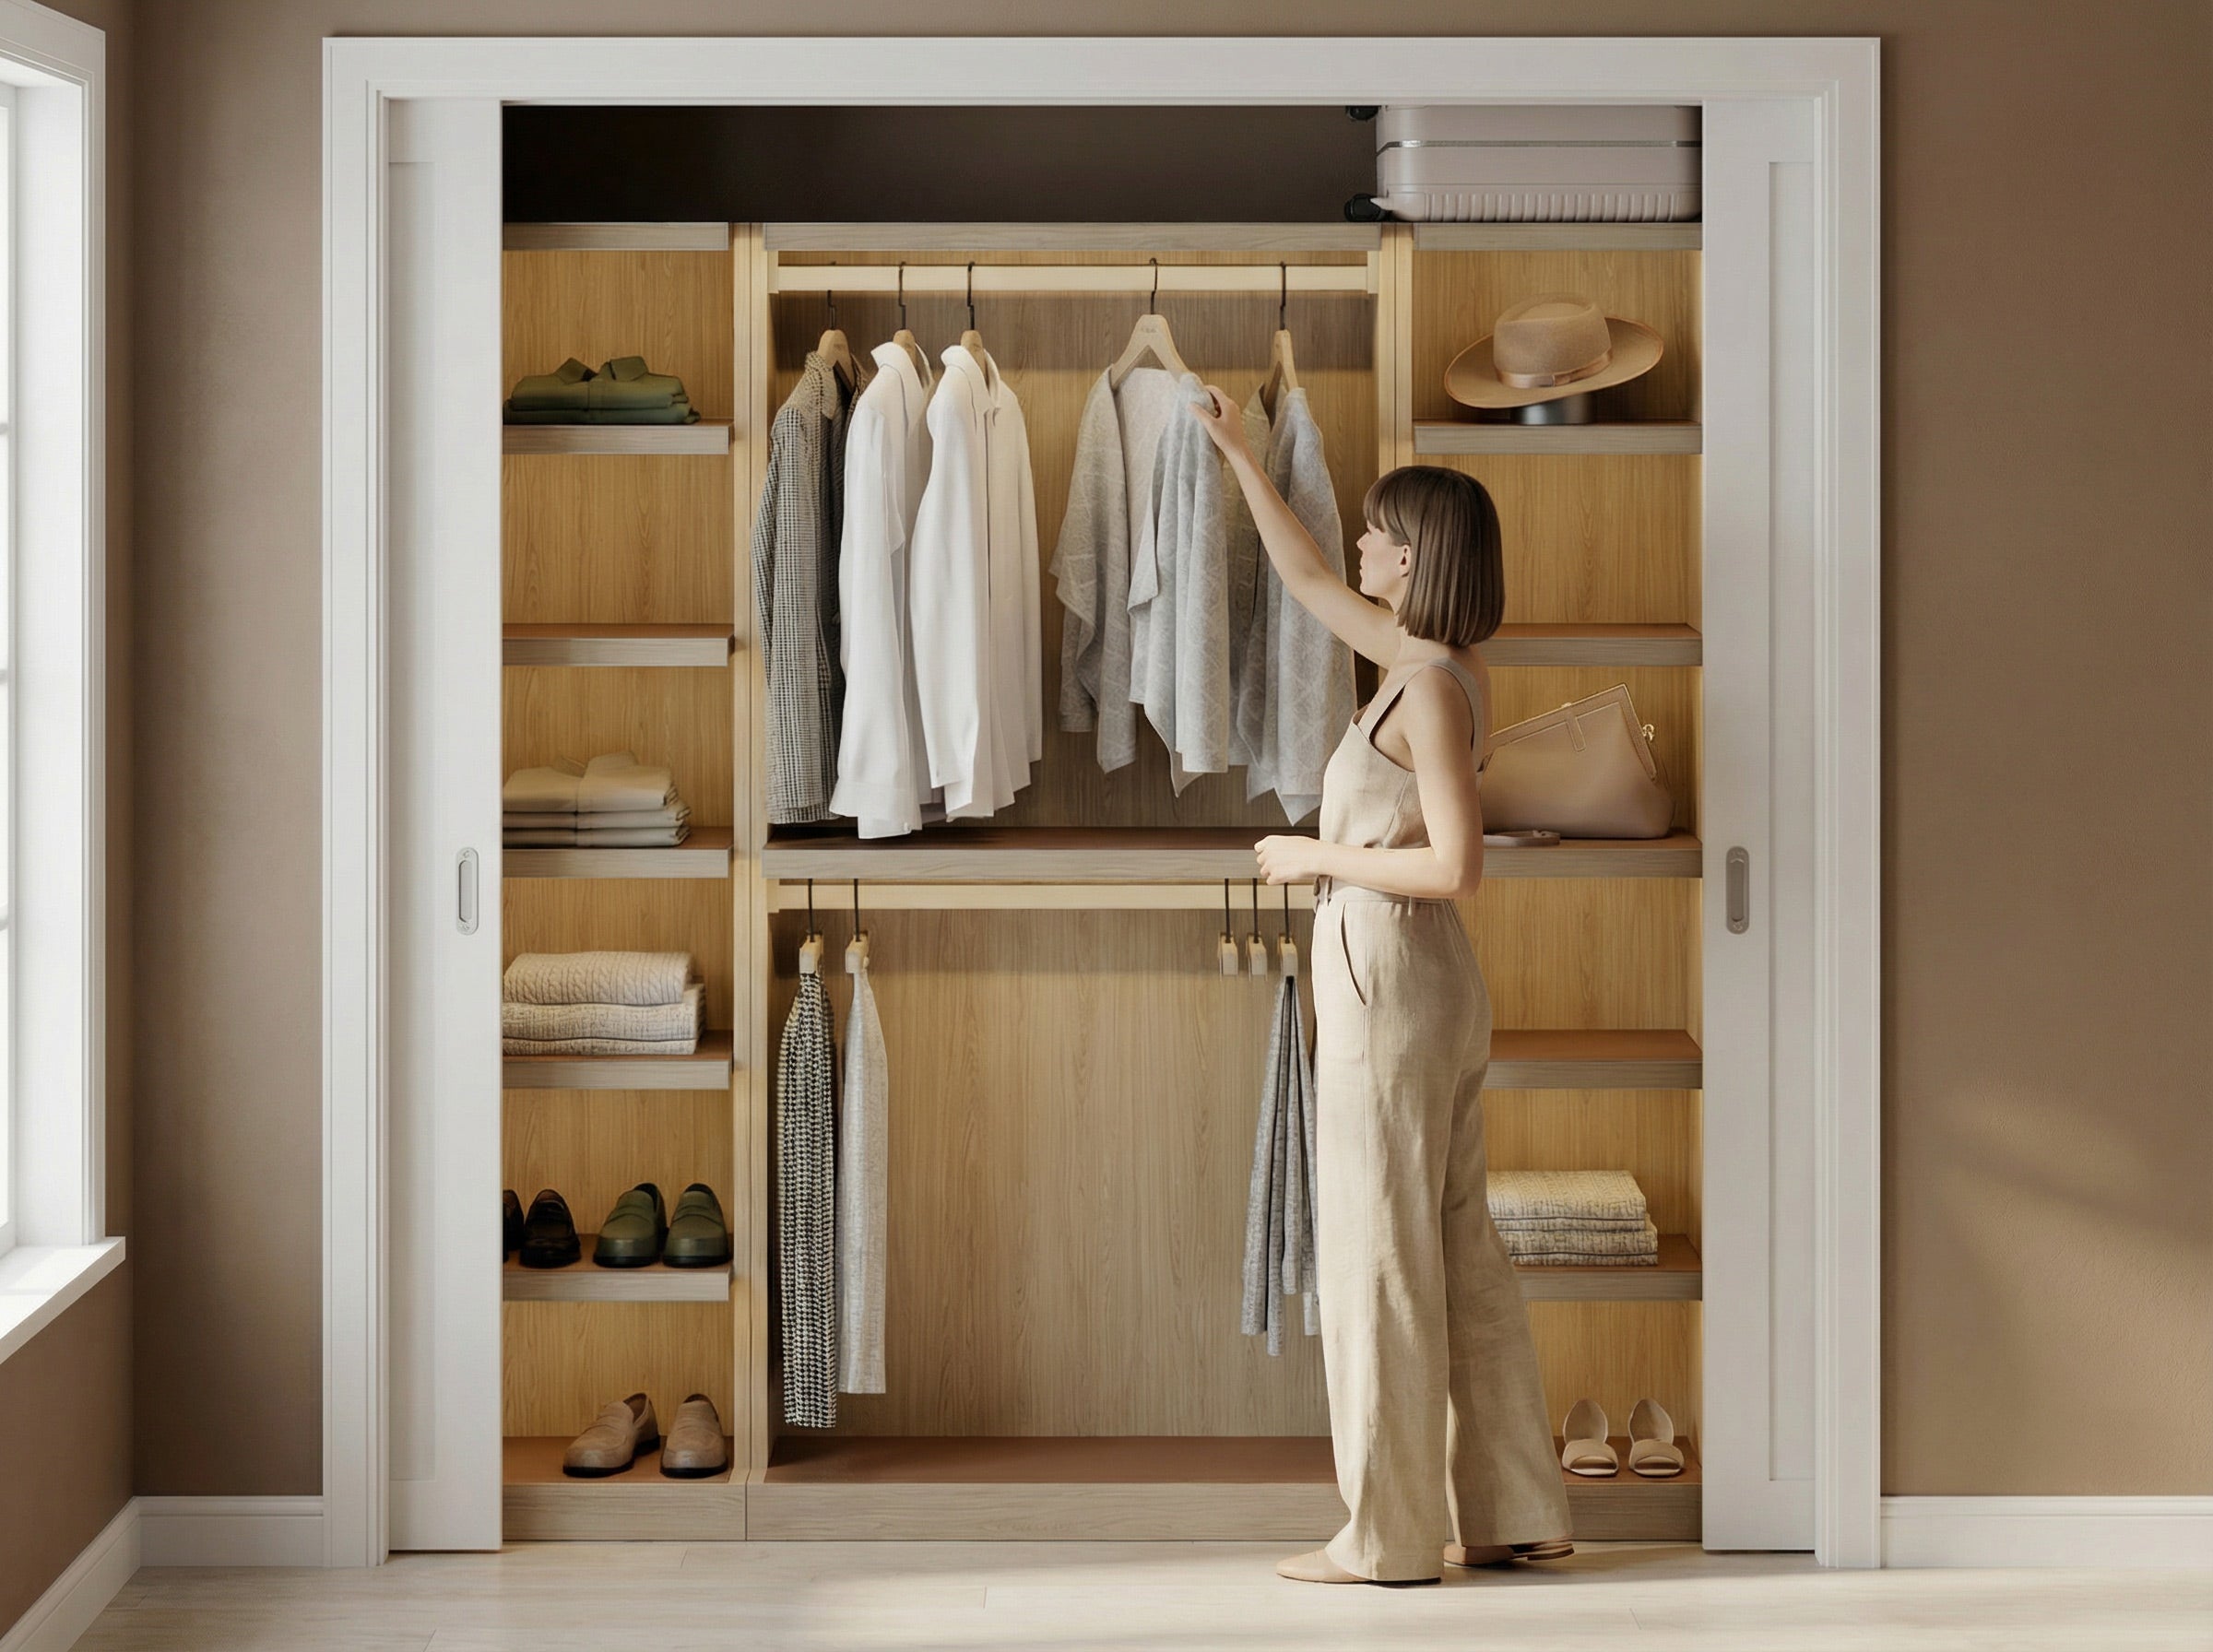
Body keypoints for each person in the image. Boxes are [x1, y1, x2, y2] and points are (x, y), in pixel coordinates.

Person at [1190, 389, 1574, 1587]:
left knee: (1382, 1258)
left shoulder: (1434, 696)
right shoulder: (1426, 662)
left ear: (1409, 559)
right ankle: (1512, 1508)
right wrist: (1239, 458)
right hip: (1424, 993)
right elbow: (1307, 586)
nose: (1356, 547)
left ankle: (1389, 1538)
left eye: (1372, 534)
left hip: (1392, 985)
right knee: (1459, 1253)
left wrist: (1315, 856)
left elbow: (1456, 866)